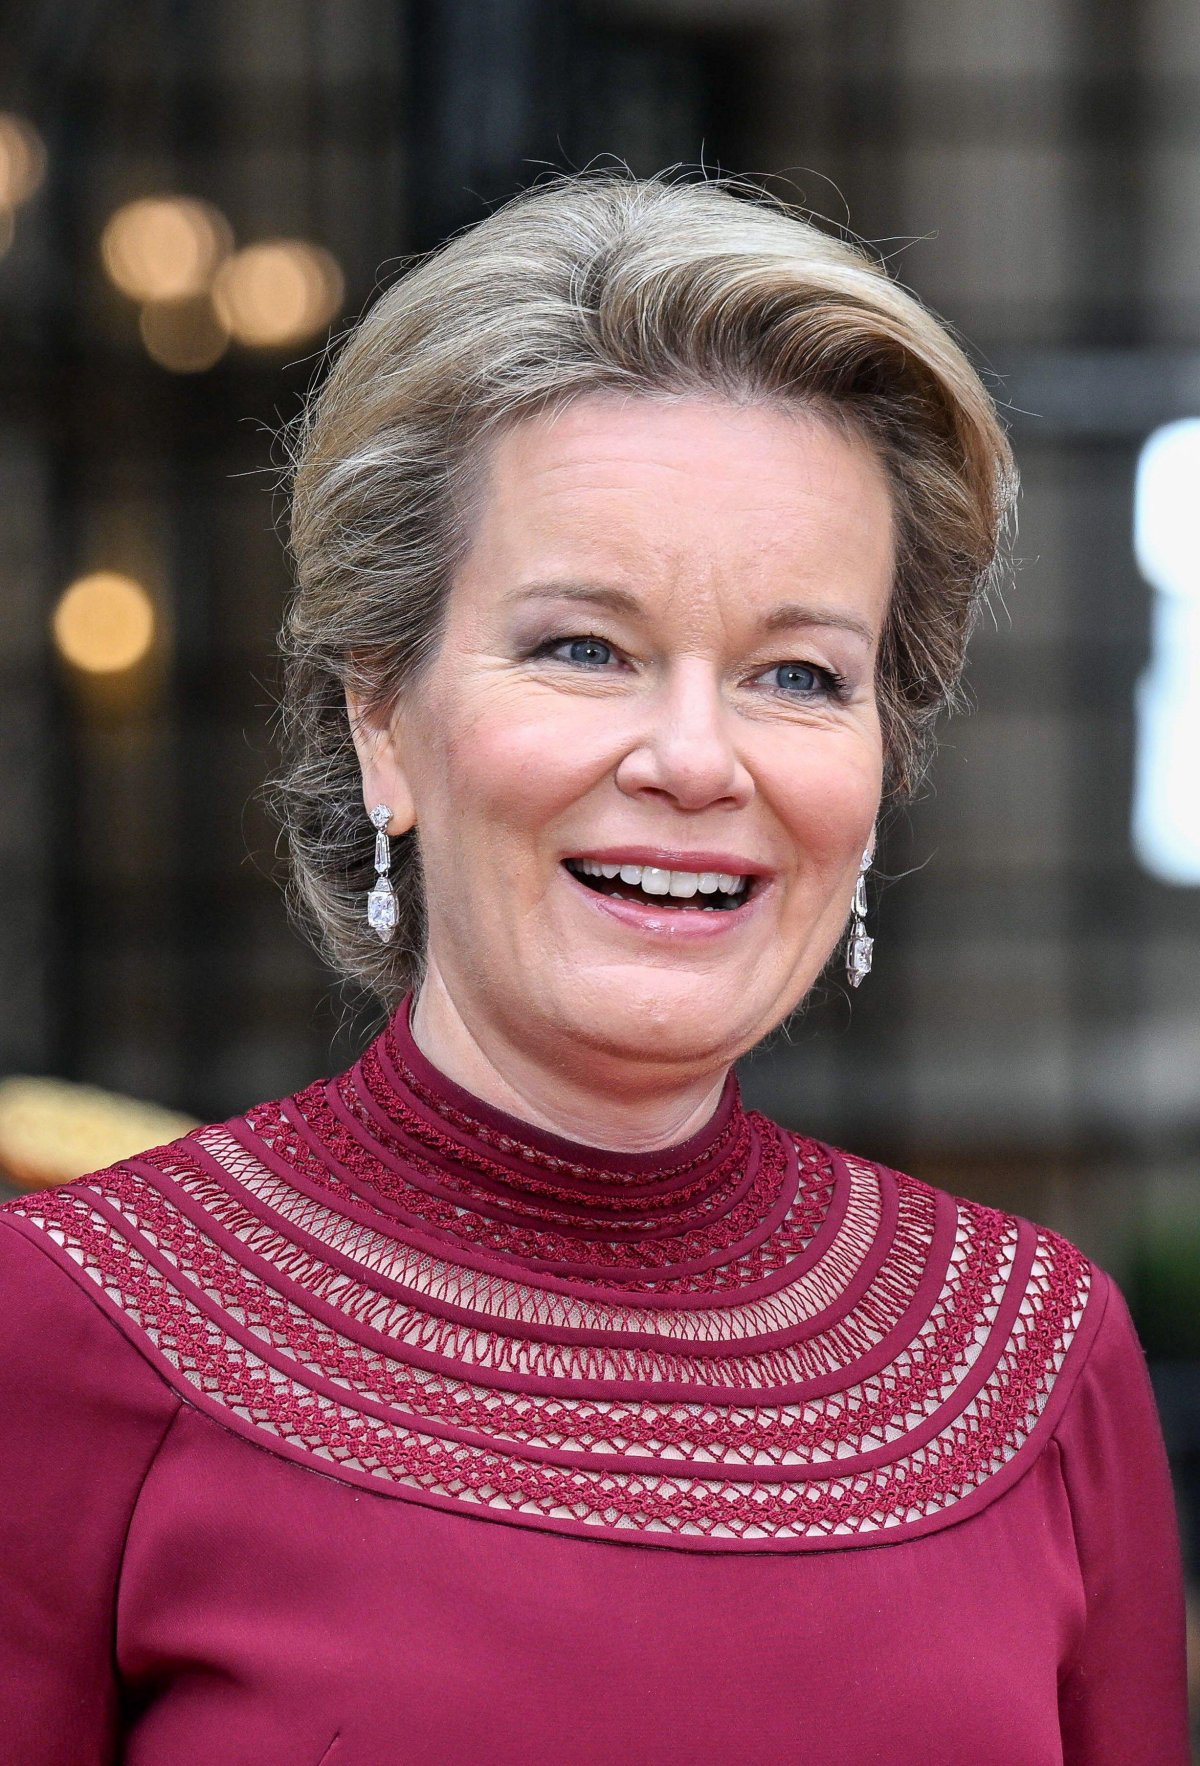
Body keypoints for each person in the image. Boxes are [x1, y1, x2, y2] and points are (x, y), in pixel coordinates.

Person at [0, 175, 1189, 1764]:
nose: (696, 758)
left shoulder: (1033, 1355)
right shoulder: (69, 1327)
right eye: (585, 647)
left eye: (795, 672)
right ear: (383, 716)